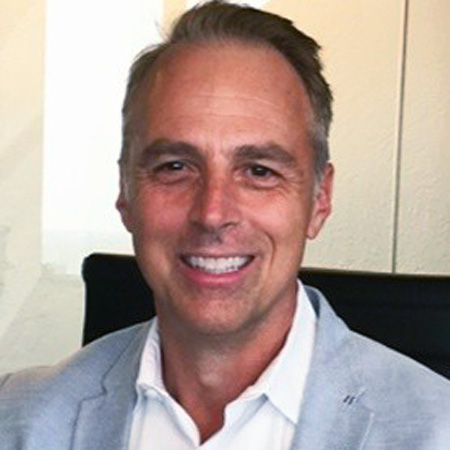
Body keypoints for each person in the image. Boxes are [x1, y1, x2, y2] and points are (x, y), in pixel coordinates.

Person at [1, 1, 450, 449]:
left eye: (259, 171)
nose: (213, 214)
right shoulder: (16, 419)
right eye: (175, 166)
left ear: (320, 199)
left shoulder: (437, 430)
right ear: (125, 190)